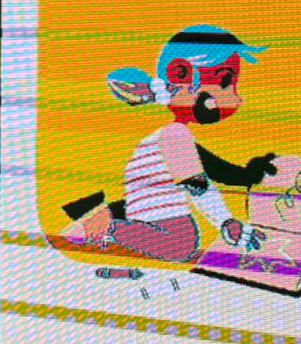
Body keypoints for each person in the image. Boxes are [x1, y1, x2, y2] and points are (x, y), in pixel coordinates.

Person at [71, 25, 277, 263]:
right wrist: (225, 220)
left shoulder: (174, 136)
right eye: (225, 83)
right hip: (160, 216)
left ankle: (112, 225)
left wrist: (245, 183)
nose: (235, 99)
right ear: (181, 74)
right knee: (183, 244)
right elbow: (197, 186)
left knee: (184, 241)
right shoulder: (174, 135)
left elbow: (212, 170)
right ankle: (109, 229)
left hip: (156, 211)